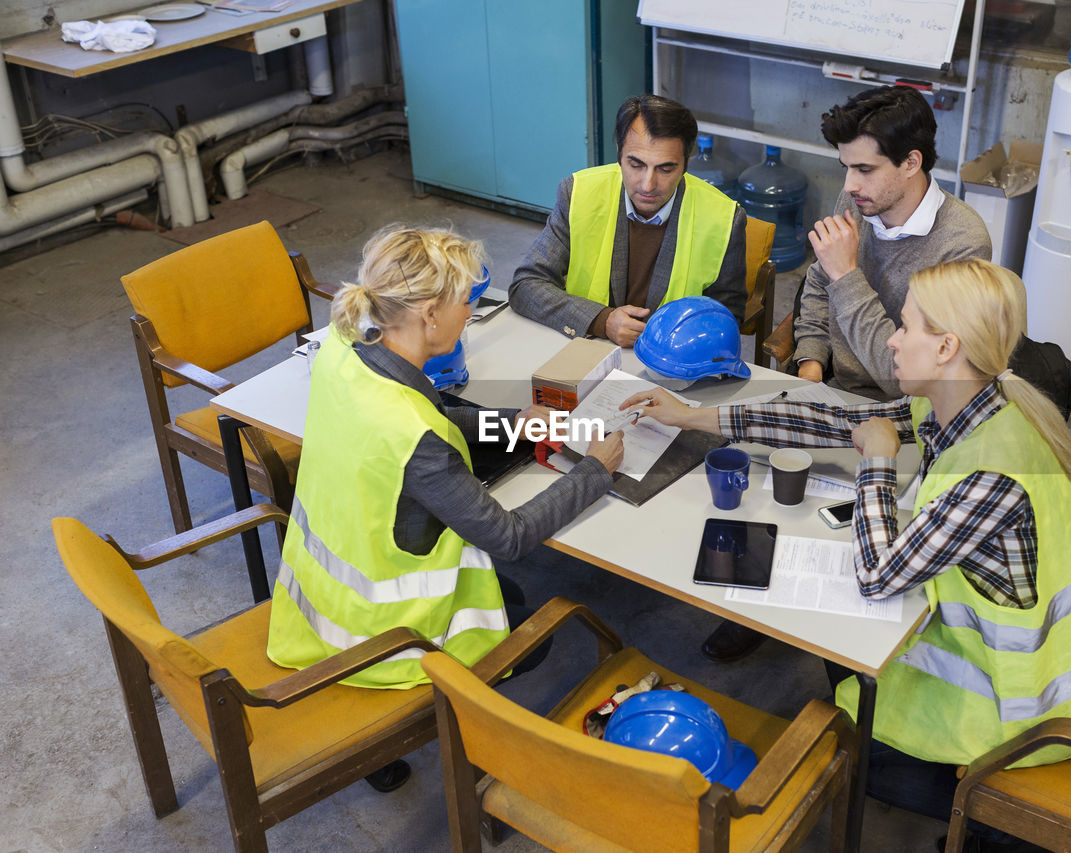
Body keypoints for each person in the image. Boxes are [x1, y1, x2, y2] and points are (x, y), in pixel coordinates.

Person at [621, 259, 1071, 851]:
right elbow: (833, 418)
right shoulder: (980, 402)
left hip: (1034, 717)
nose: (891, 339)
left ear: (947, 347)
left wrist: (875, 462)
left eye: (906, 327)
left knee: (840, 745)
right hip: (1024, 669)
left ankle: (993, 823)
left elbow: (876, 576)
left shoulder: (995, 475)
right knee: (845, 673)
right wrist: (698, 416)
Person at [266, 225, 624, 792]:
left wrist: (510, 425)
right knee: (529, 620)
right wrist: (595, 470)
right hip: (387, 638)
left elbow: (421, 412)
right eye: (467, 302)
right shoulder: (418, 442)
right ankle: (441, 725)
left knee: (509, 593)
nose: (471, 313)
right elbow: (507, 536)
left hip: (317, 603)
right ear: (430, 315)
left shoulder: (344, 348)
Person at [793, 85, 991, 398]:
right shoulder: (856, 201)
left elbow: (907, 381)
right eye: (846, 167)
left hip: (906, 409)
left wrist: (846, 276)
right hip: (835, 389)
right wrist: (811, 362)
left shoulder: (963, 243)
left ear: (911, 163)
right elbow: (819, 283)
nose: (849, 185)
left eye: (865, 169)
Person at [509, 94, 747, 347]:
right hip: (587, 344)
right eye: (635, 164)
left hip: (672, 362)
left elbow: (727, 318)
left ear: (686, 165)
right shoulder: (579, 194)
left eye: (666, 169)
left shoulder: (723, 218)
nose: (648, 185)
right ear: (619, 156)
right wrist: (602, 320)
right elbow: (526, 285)